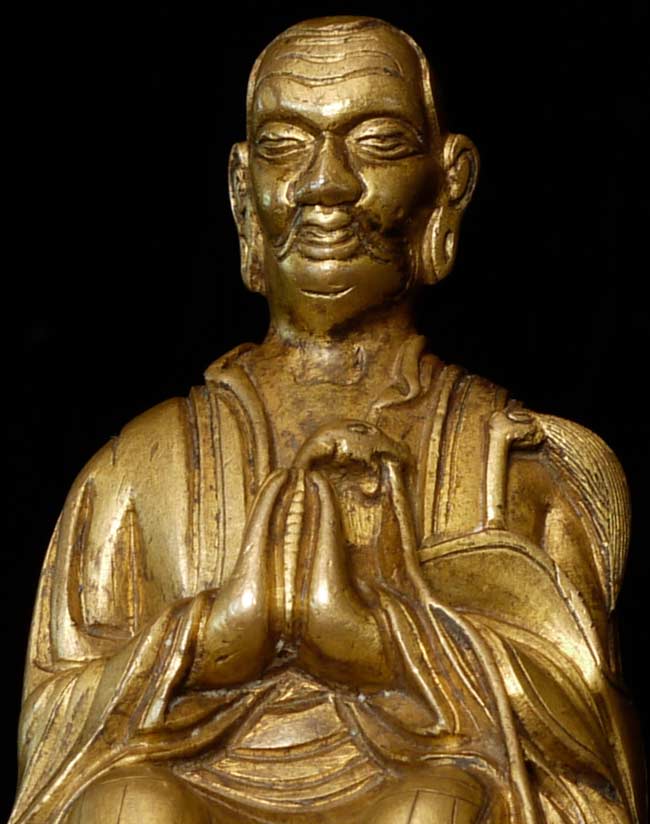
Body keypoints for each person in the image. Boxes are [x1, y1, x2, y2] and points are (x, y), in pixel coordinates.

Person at [10, 16, 644, 824]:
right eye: (285, 145)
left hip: (427, 791)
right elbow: (49, 728)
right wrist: (207, 639)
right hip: (184, 792)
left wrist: (379, 642)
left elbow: (595, 740)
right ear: (243, 191)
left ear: (449, 184)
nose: (324, 185)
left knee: (437, 805)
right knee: (130, 805)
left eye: (377, 142)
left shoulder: (512, 456)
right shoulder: (141, 462)